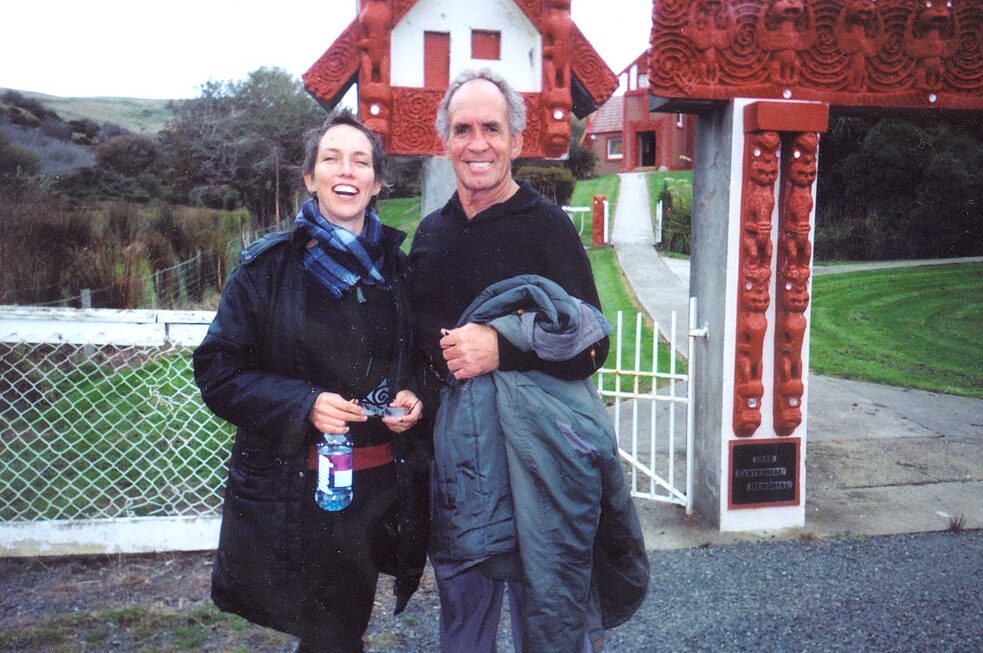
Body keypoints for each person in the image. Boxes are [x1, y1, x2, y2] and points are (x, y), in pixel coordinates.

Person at [409, 69, 649, 653]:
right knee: (464, 628)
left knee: (548, 620)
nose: (477, 143)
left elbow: (592, 346)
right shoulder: (431, 235)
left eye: (491, 128)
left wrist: (504, 346)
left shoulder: (547, 228)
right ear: (446, 141)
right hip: (462, 474)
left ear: (516, 140)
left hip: (538, 468)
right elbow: (418, 349)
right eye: (463, 129)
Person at [193, 109, 428, 652]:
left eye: (361, 161)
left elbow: (417, 359)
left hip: (380, 488)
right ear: (310, 177)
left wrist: (416, 393)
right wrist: (305, 404)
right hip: (302, 492)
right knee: (332, 633)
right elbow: (218, 371)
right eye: (331, 158)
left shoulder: (399, 270)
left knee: (341, 629)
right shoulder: (266, 269)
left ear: (377, 183)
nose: (346, 170)